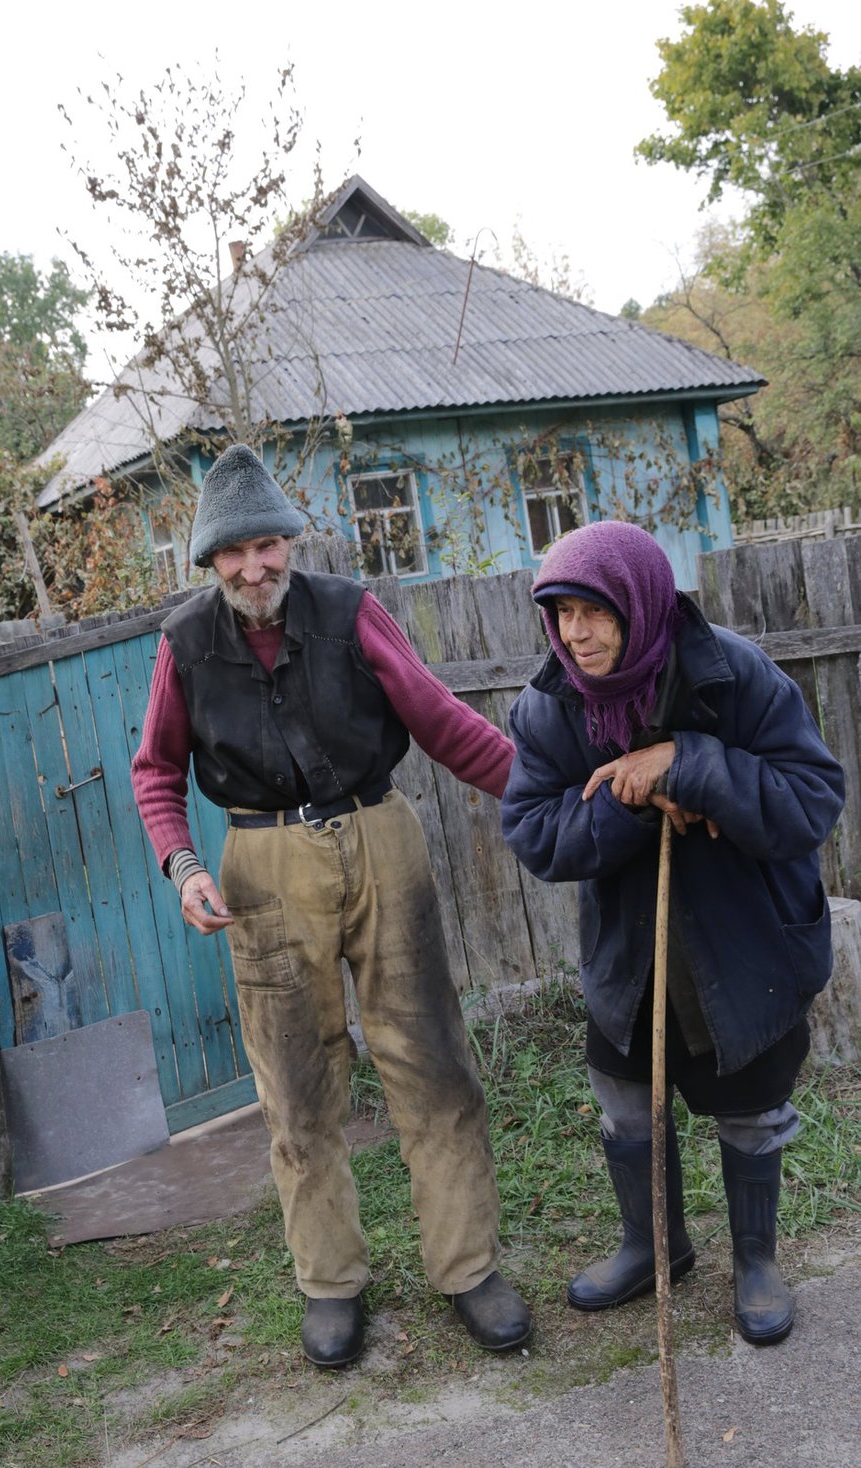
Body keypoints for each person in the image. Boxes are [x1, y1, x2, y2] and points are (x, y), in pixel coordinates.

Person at [132, 443, 531, 1367]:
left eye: (266, 545)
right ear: (210, 561)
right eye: (232, 554)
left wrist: (545, 792)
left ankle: (469, 1268)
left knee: (432, 1058)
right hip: (260, 870)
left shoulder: (353, 613)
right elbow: (156, 772)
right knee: (296, 1083)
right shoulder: (186, 644)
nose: (253, 567)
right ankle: (330, 1282)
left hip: (381, 839)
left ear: (288, 540)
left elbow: (441, 721)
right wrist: (184, 866)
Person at [501, 519, 844, 1346]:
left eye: (593, 612)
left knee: (752, 1108)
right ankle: (655, 1245)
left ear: (637, 601)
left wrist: (690, 762)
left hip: (743, 934)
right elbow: (535, 831)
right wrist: (636, 795)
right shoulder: (551, 707)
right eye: (559, 614)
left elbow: (812, 799)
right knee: (627, 1104)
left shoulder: (734, 675)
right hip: (631, 945)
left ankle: (756, 1259)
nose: (575, 634)